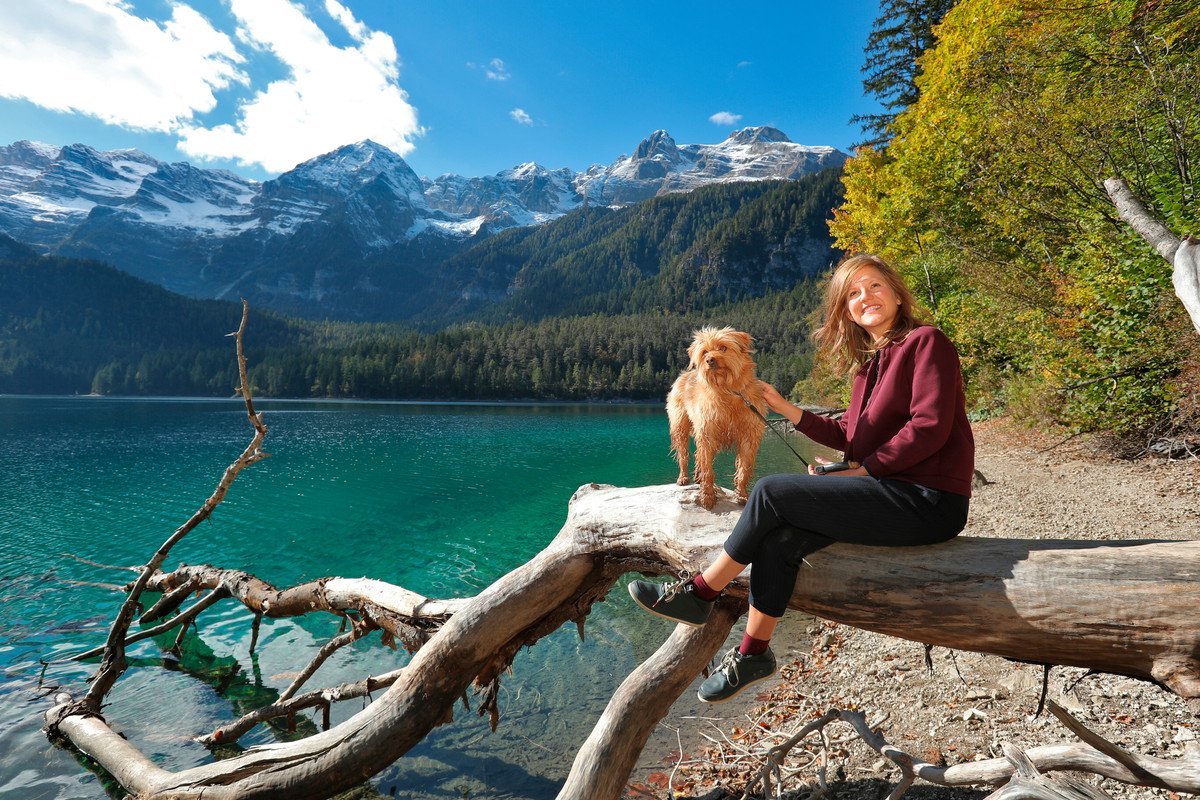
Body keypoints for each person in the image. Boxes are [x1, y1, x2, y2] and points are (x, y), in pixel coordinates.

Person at [628, 253, 975, 704]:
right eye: (852, 293)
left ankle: (700, 590)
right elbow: (851, 433)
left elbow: (929, 427)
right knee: (781, 537)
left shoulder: (926, 342)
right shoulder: (869, 366)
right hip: (887, 490)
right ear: (844, 309)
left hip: (929, 500)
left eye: (873, 286)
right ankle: (754, 653)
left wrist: (863, 469)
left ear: (895, 291)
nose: (864, 298)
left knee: (772, 488)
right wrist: (789, 411)